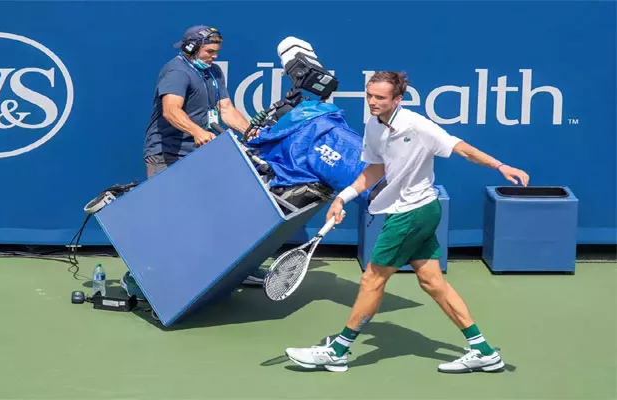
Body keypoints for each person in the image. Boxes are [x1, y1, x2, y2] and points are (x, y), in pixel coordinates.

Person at [284, 71, 530, 373]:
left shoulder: (417, 125)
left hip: (412, 213)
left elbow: (461, 148)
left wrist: (500, 165)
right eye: (369, 95)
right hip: (415, 212)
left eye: (380, 97)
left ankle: (338, 350)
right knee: (432, 281)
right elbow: (374, 170)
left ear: (397, 99)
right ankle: (483, 350)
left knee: (372, 279)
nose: (372, 102)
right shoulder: (373, 126)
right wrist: (342, 198)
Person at [121, 25, 265, 299]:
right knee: (167, 221)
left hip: (202, 155)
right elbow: (170, 110)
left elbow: (226, 110)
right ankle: (137, 278)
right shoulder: (176, 72)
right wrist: (197, 131)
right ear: (190, 48)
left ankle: (237, 268)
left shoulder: (214, 72)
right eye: (210, 51)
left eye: (216, 52)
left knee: (224, 212)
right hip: (168, 155)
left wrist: (251, 132)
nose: (214, 56)